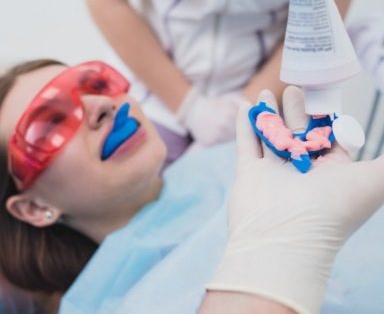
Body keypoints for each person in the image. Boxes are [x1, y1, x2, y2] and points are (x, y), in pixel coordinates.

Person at [0, 59, 383, 314]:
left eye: (95, 83)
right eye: (49, 125)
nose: (103, 104)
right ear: (33, 208)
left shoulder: (239, 156)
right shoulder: (103, 305)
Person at [84, 0, 357, 166]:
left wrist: (247, 110)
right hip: (154, 91)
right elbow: (107, 1)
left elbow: (321, 19)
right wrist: (190, 106)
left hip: (264, 95)